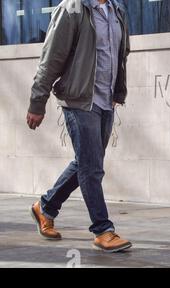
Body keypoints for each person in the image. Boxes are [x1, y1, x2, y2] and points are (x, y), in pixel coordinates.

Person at [26, 0, 132, 253]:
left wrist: (118, 91)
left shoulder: (117, 10)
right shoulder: (71, 8)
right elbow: (51, 58)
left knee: (87, 162)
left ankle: (46, 207)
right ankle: (103, 230)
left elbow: (120, 54)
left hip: (105, 101)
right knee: (92, 167)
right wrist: (37, 102)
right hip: (78, 99)